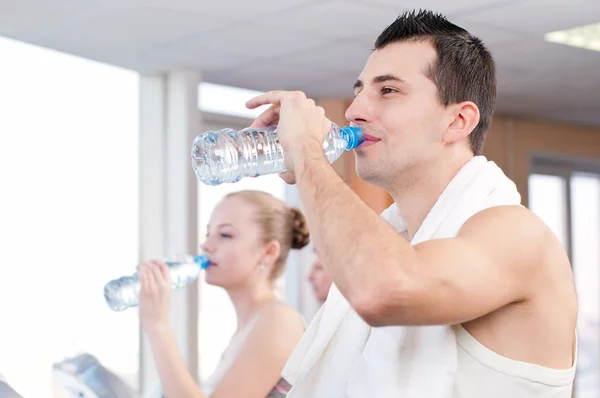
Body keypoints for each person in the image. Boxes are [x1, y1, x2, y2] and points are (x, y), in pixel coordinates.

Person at [244, 9, 577, 398]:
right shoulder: (402, 241)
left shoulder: (517, 235)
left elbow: (382, 289)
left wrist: (307, 155)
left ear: (457, 122)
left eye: (388, 90)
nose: (355, 111)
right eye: (359, 91)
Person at [137, 190, 308, 398]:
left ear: (268, 252)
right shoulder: (248, 329)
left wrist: (158, 326)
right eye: (208, 233)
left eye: (225, 235)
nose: (206, 245)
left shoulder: (280, 321)